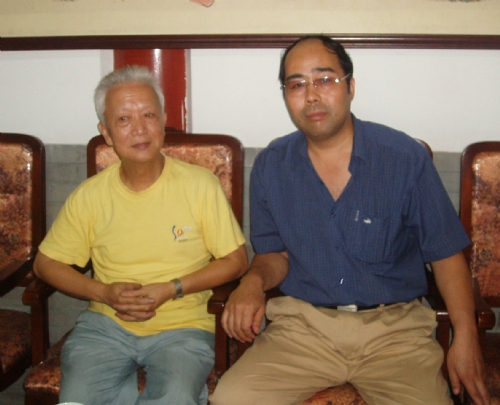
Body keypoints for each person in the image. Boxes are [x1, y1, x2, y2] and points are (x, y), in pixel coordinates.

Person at [210, 35, 489, 405]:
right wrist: (251, 283)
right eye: (297, 84)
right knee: (230, 398)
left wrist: (465, 337)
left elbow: (445, 253)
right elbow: (274, 255)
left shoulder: (404, 157)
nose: (311, 96)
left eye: (325, 79)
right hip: (304, 329)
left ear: (350, 87)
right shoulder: (271, 166)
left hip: (396, 334)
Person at [33, 66, 248, 405]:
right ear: (106, 132)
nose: (139, 129)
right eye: (123, 119)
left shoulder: (200, 185)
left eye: (149, 115)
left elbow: (236, 260)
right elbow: (45, 264)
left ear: (163, 121)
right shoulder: (90, 195)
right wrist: (103, 292)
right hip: (105, 327)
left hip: (183, 328)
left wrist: (172, 288)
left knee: (175, 396)